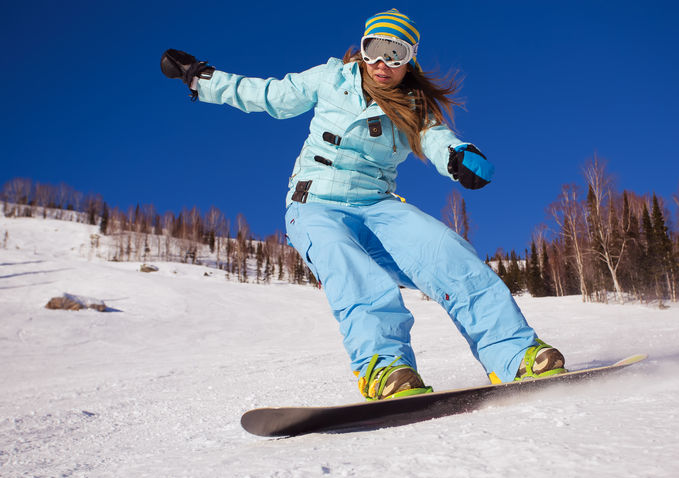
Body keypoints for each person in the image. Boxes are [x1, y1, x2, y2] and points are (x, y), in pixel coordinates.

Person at [161, 8, 566, 401]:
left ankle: (515, 355)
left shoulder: (412, 106)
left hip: (377, 206)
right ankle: (386, 368)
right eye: (373, 49)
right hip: (315, 204)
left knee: (449, 255)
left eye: (395, 54)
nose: (381, 63)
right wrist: (200, 78)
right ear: (362, 48)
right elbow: (269, 95)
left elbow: (435, 139)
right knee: (355, 276)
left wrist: (457, 156)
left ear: (409, 60)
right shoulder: (331, 79)